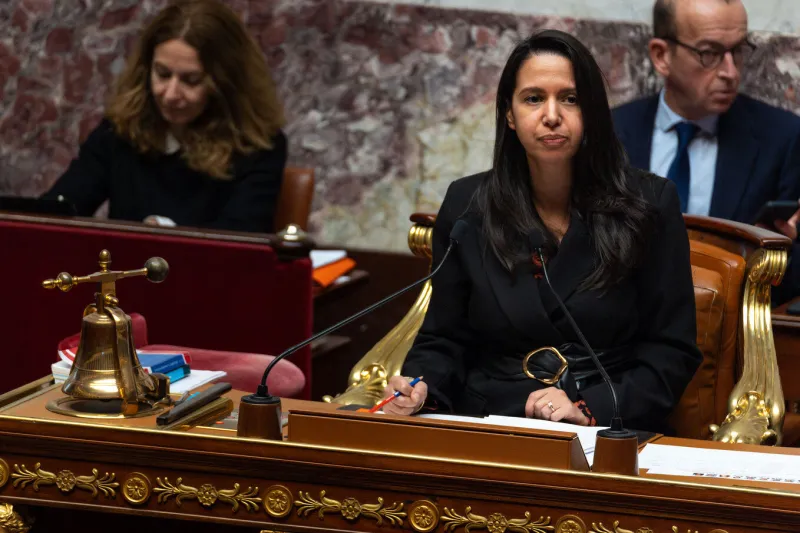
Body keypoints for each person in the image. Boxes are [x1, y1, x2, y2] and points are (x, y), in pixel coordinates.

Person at [382, 30, 702, 434]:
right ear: (510, 115)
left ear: (593, 112)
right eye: (534, 98)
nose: (552, 114)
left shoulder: (649, 203)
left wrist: (588, 408)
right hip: (488, 421)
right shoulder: (469, 205)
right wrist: (422, 384)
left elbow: (670, 352)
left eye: (570, 98)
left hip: (608, 426)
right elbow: (443, 339)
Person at [612, 0, 800, 303]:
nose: (730, 72)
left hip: (729, 331)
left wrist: (777, 253)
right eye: (709, 53)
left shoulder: (782, 138)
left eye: (738, 51)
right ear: (661, 56)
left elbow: (793, 278)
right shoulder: (610, 133)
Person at [43, 0, 287, 233]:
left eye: (191, 80)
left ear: (225, 84)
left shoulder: (258, 147)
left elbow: (241, 245)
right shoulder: (119, 130)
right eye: (162, 74)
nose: (170, 95)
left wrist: (165, 233)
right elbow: (61, 209)